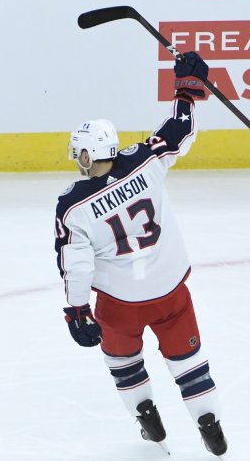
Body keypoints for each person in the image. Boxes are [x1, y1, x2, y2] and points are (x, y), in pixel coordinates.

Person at [54, 52, 227, 456]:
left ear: (84, 155)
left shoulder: (73, 206)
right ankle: (209, 420)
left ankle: (147, 414)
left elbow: (75, 267)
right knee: (188, 364)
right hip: (170, 292)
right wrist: (186, 89)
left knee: (125, 364)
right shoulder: (144, 162)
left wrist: (77, 312)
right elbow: (178, 131)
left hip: (119, 304)